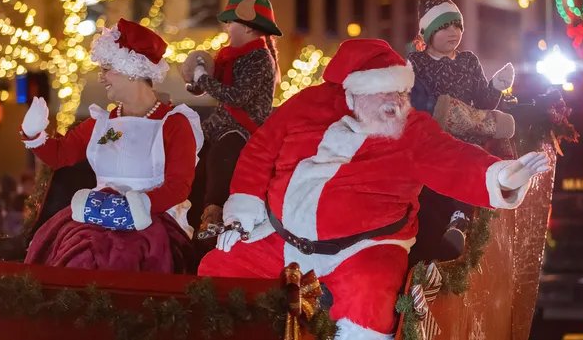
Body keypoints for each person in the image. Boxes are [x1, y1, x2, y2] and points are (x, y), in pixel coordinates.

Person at [198, 38, 550, 339]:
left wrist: (502, 176)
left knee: (369, 296)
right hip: (280, 239)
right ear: (354, 92)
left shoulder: (409, 127)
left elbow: (452, 159)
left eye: (399, 91)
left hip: (362, 251)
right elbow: (260, 152)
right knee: (221, 268)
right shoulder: (307, 105)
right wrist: (242, 216)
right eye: (385, 91)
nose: (394, 101)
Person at [20, 18, 204, 272]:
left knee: (127, 257)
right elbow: (59, 155)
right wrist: (34, 134)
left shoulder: (174, 124)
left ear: (130, 69)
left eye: (107, 69)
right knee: (77, 255)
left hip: (152, 221)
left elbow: (178, 187)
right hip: (97, 219)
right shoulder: (101, 121)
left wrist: (132, 209)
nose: (102, 77)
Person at [407, 0, 516, 259]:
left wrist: (496, 87)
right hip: (434, 138)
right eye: (444, 27)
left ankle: (460, 220)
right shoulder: (417, 64)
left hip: (469, 136)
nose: (452, 32)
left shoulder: (468, 61)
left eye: (456, 25)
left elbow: (483, 100)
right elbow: (416, 102)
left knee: (472, 163)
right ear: (428, 32)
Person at [181, 0, 280, 236]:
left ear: (248, 27)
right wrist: (198, 81)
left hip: (241, 130)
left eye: (232, 23)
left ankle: (215, 214)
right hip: (219, 126)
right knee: (191, 152)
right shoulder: (233, 57)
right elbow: (213, 84)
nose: (227, 28)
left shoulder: (259, 58)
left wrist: (204, 78)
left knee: (222, 157)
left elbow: (236, 97)